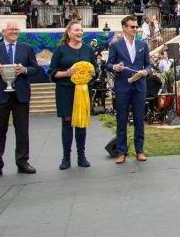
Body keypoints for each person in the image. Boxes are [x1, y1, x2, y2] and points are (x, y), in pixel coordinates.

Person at [0, 20, 39, 178]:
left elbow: (35, 68)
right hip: (0, 95)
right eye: (12, 29)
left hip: (20, 95)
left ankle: (22, 162)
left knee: (22, 131)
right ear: (3, 32)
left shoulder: (27, 48)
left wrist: (24, 69)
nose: (15, 32)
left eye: (17, 30)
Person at [48, 21, 97, 169]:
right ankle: (66, 158)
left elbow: (95, 70)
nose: (79, 32)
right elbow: (52, 71)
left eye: (81, 30)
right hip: (65, 90)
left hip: (83, 90)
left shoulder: (88, 50)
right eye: (76, 30)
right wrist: (66, 73)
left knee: (81, 123)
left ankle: (81, 156)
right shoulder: (60, 50)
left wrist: (94, 73)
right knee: (67, 122)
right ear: (69, 32)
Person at [107, 15, 152, 164]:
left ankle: (139, 150)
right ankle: (121, 152)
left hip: (139, 87)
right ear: (124, 28)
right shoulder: (115, 45)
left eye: (136, 27)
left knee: (139, 119)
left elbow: (148, 65)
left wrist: (146, 71)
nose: (135, 29)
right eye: (132, 27)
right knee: (121, 120)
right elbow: (108, 64)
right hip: (122, 87)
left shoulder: (142, 45)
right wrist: (115, 67)